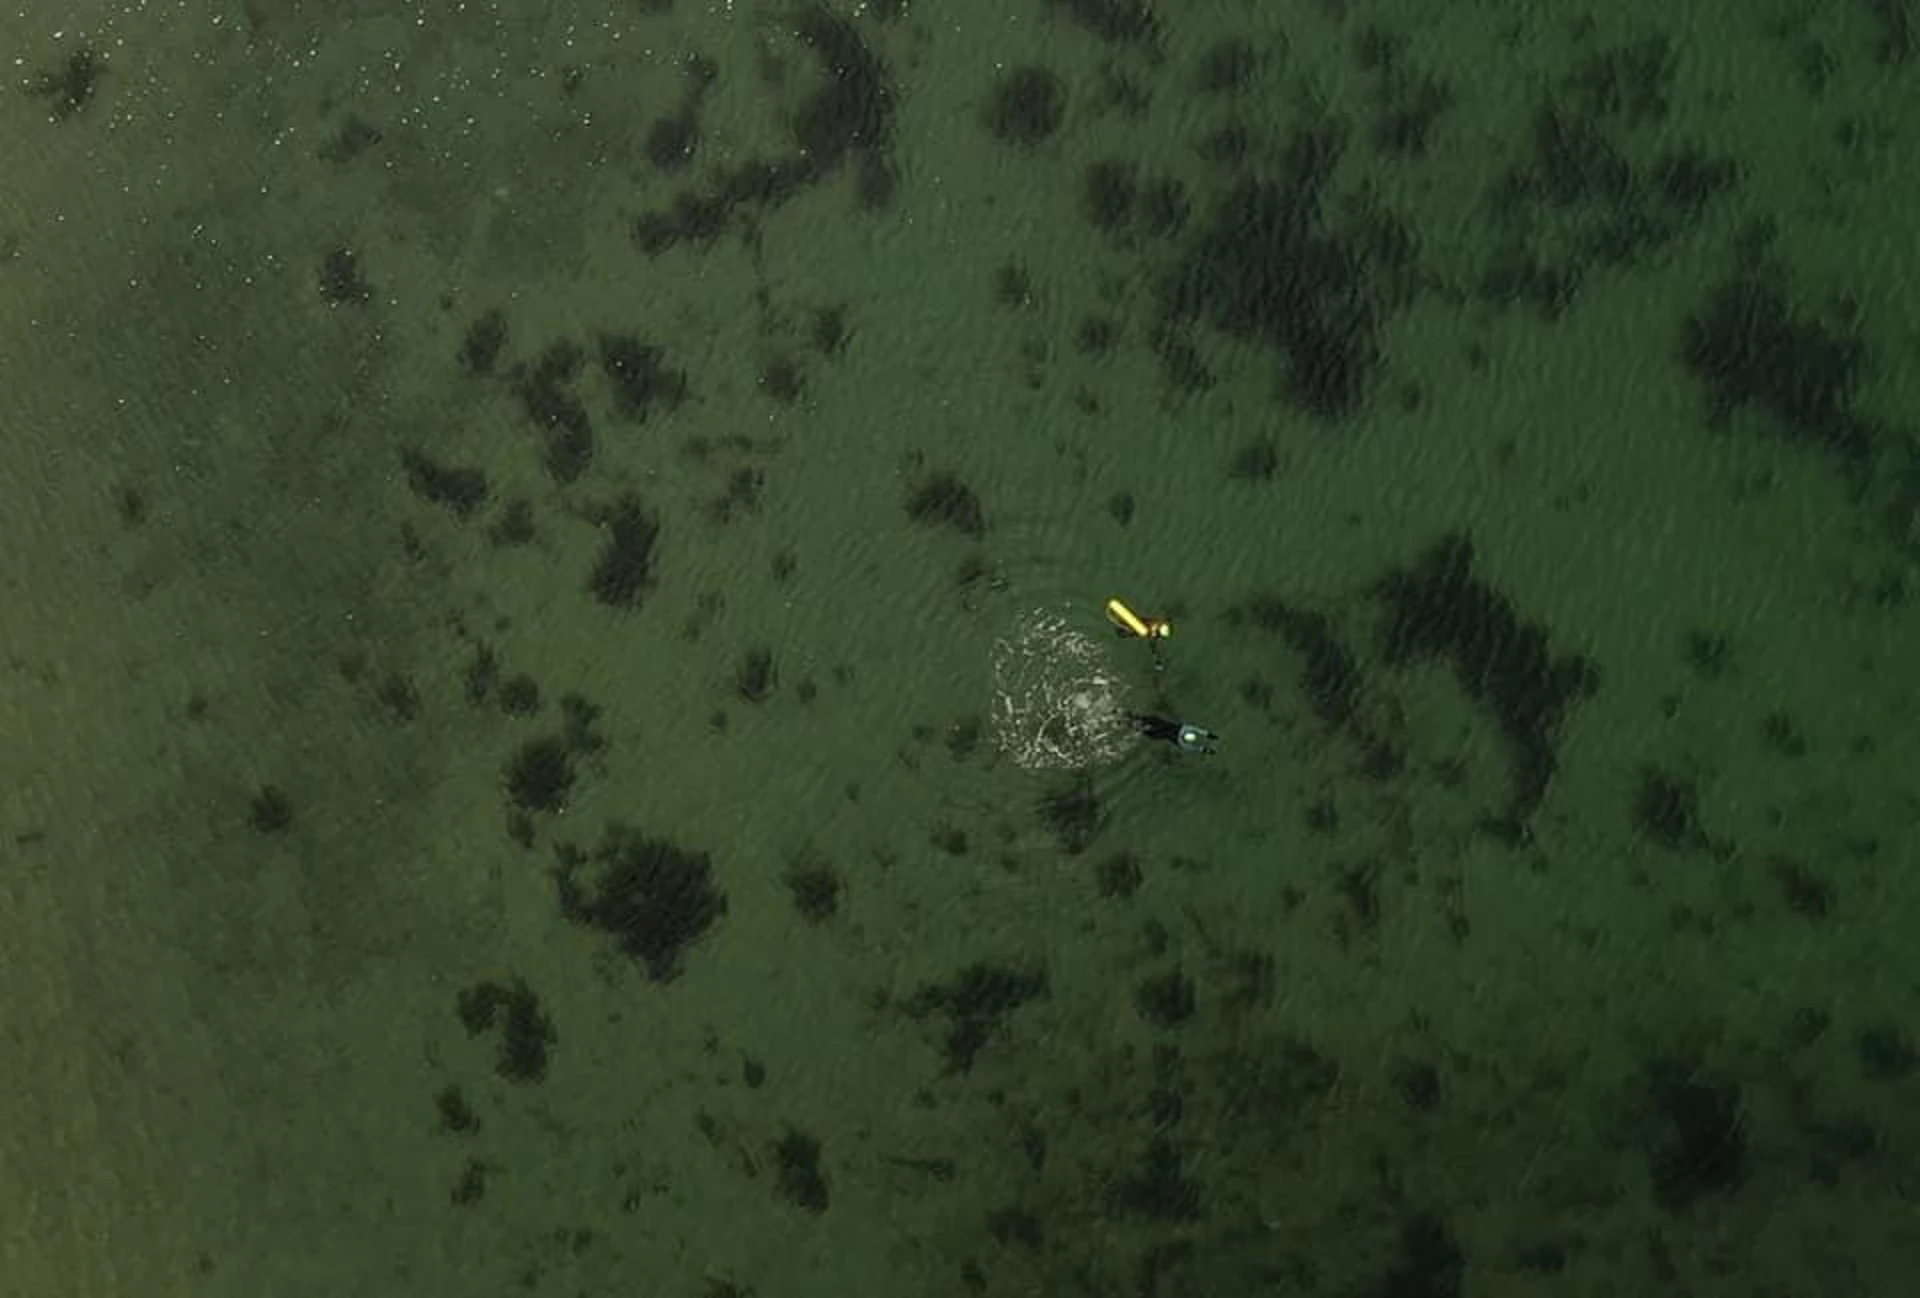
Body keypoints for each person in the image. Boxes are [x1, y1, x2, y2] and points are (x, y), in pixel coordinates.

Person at [1105, 596, 1171, 671]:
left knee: (1122, 630)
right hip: (1135, 629)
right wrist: (1157, 661)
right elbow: (1153, 648)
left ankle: (1120, 625)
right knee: (1121, 633)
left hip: (1137, 623)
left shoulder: (1156, 623)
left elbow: (1161, 622)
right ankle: (1120, 627)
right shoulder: (1151, 633)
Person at [1128, 712, 1218, 754]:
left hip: (1162, 728)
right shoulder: (1183, 742)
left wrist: (1210, 736)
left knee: (1152, 722)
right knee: (1151, 727)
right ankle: (1134, 723)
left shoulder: (1184, 730)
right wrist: (1208, 749)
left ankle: (1135, 720)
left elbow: (1199, 731)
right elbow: (1196, 747)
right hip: (1161, 733)